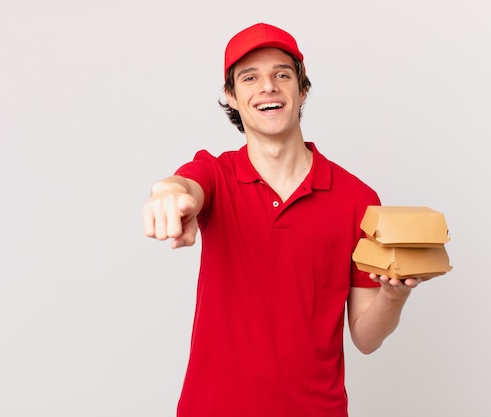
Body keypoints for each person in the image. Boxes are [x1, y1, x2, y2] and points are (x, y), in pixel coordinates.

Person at [143, 22, 420, 417]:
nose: (267, 86)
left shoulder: (358, 200)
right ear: (232, 96)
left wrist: (395, 294)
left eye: (282, 74)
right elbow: (184, 185)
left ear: (302, 89)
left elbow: (365, 337)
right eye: (250, 77)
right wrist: (167, 195)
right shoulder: (217, 176)